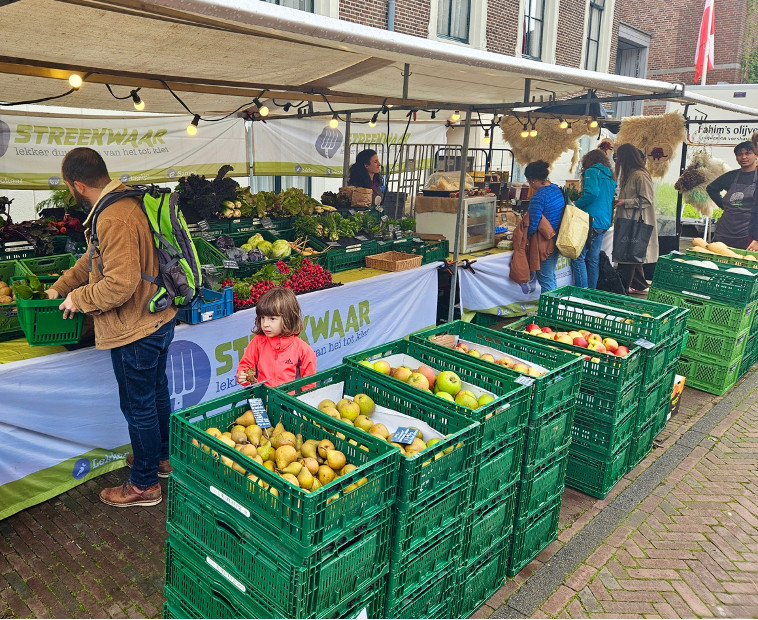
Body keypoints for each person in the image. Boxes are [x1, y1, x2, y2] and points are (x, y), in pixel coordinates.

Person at [46, 147, 176, 508]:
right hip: (158, 318)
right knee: (156, 394)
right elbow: (92, 259)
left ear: (77, 185)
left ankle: (144, 484)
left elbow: (120, 283)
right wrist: (62, 285)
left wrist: (79, 299)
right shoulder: (123, 202)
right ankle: (160, 459)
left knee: (140, 407)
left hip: (136, 327)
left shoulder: (112, 217)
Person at [236, 287, 317, 388]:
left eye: (272, 319)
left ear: (288, 318)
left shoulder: (304, 351)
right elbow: (245, 367)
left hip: (289, 402)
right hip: (262, 400)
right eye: (262, 318)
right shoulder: (257, 342)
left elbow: (309, 385)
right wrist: (243, 376)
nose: (265, 324)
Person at [614, 143, 658, 293]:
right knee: (632, 254)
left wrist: (624, 202)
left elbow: (646, 200)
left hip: (634, 223)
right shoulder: (632, 174)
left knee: (627, 256)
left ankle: (621, 290)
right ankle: (640, 285)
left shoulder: (639, 175)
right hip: (628, 220)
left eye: (618, 158)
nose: (617, 161)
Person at [572, 149, 617, 288]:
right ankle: (591, 292)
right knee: (593, 259)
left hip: (591, 221)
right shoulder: (610, 176)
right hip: (604, 221)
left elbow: (591, 193)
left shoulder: (591, 172)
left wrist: (576, 205)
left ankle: (582, 292)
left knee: (578, 257)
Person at [706, 141, 758, 250]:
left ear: (756, 155)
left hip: (747, 233)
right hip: (724, 231)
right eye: (739, 154)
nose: (743, 157)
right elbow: (711, 188)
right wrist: (724, 206)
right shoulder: (731, 176)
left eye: (748, 153)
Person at [525, 160, 566, 292]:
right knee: (550, 276)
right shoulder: (556, 189)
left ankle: (550, 311)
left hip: (545, 243)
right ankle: (554, 307)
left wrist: (525, 236)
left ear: (531, 179)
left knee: (545, 278)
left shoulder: (538, 197)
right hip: (558, 238)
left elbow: (533, 224)